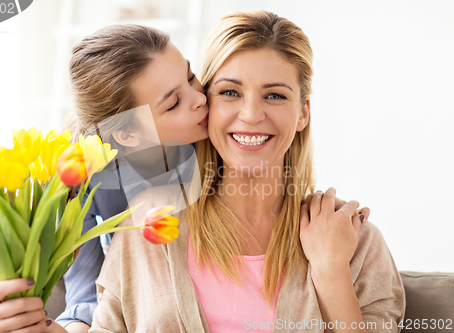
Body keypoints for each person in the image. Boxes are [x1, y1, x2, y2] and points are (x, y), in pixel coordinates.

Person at [0, 22, 370, 333]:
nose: (201, 100)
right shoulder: (95, 193)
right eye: (174, 102)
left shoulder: (221, 148)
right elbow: (88, 303)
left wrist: (328, 251)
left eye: (193, 78)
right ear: (128, 133)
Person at [89, 10, 405, 333]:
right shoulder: (148, 228)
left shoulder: (356, 241)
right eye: (230, 92)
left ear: (302, 114)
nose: (252, 115)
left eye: (275, 95)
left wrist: (331, 272)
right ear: (205, 104)